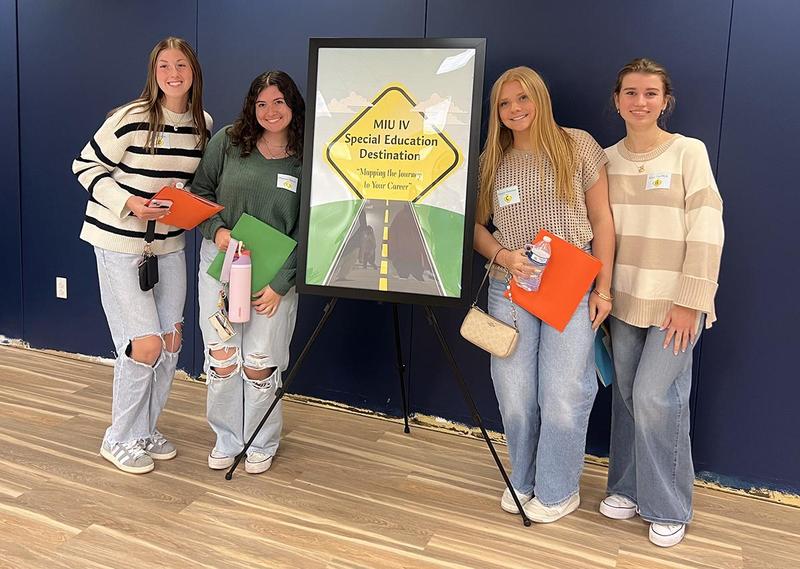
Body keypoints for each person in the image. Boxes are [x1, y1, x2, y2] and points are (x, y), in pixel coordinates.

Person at [473, 66, 615, 522]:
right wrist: (503, 255)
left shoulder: (578, 146)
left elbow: (604, 222)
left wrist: (604, 289)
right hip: (510, 288)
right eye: (505, 103)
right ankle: (525, 476)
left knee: (563, 393)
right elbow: (474, 228)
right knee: (514, 394)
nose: (515, 109)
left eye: (523, 99)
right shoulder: (492, 159)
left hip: (571, 289)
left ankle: (557, 489)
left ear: (541, 99)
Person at [599, 58, 724, 547]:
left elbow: (708, 224)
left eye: (651, 93)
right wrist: (601, 292)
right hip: (624, 301)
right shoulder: (605, 160)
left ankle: (668, 504)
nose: (640, 101)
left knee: (656, 397)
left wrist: (692, 299)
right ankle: (628, 487)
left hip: (676, 303)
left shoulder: (688, 153)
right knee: (629, 397)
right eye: (631, 92)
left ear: (665, 100)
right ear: (617, 100)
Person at [72, 37, 211, 474]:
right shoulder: (131, 118)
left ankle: (145, 429)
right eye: (164, 66)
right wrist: (129, 203)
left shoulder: (202, 124)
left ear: (193, 72)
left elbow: (190, 184)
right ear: (154, 72)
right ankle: (119, 438)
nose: (173, 73)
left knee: (170, 341)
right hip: (118, 243)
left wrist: (187, 202)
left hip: (168, 246)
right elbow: (85, 166)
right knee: (144, 344)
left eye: (181, 66)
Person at [191, 71, 304, 474]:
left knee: (259, 362)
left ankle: (260, 440)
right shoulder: (228, 141)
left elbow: (311, 230)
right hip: (220, 266)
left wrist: (280, 283)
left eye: (278, 102)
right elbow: (199, 194)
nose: (270, 112)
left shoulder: (306, 156)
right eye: (261, 104)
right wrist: (217, 230)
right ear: (251, 108)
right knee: (221, 359)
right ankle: (226, 438)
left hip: (274, 276)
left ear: (293, 105)